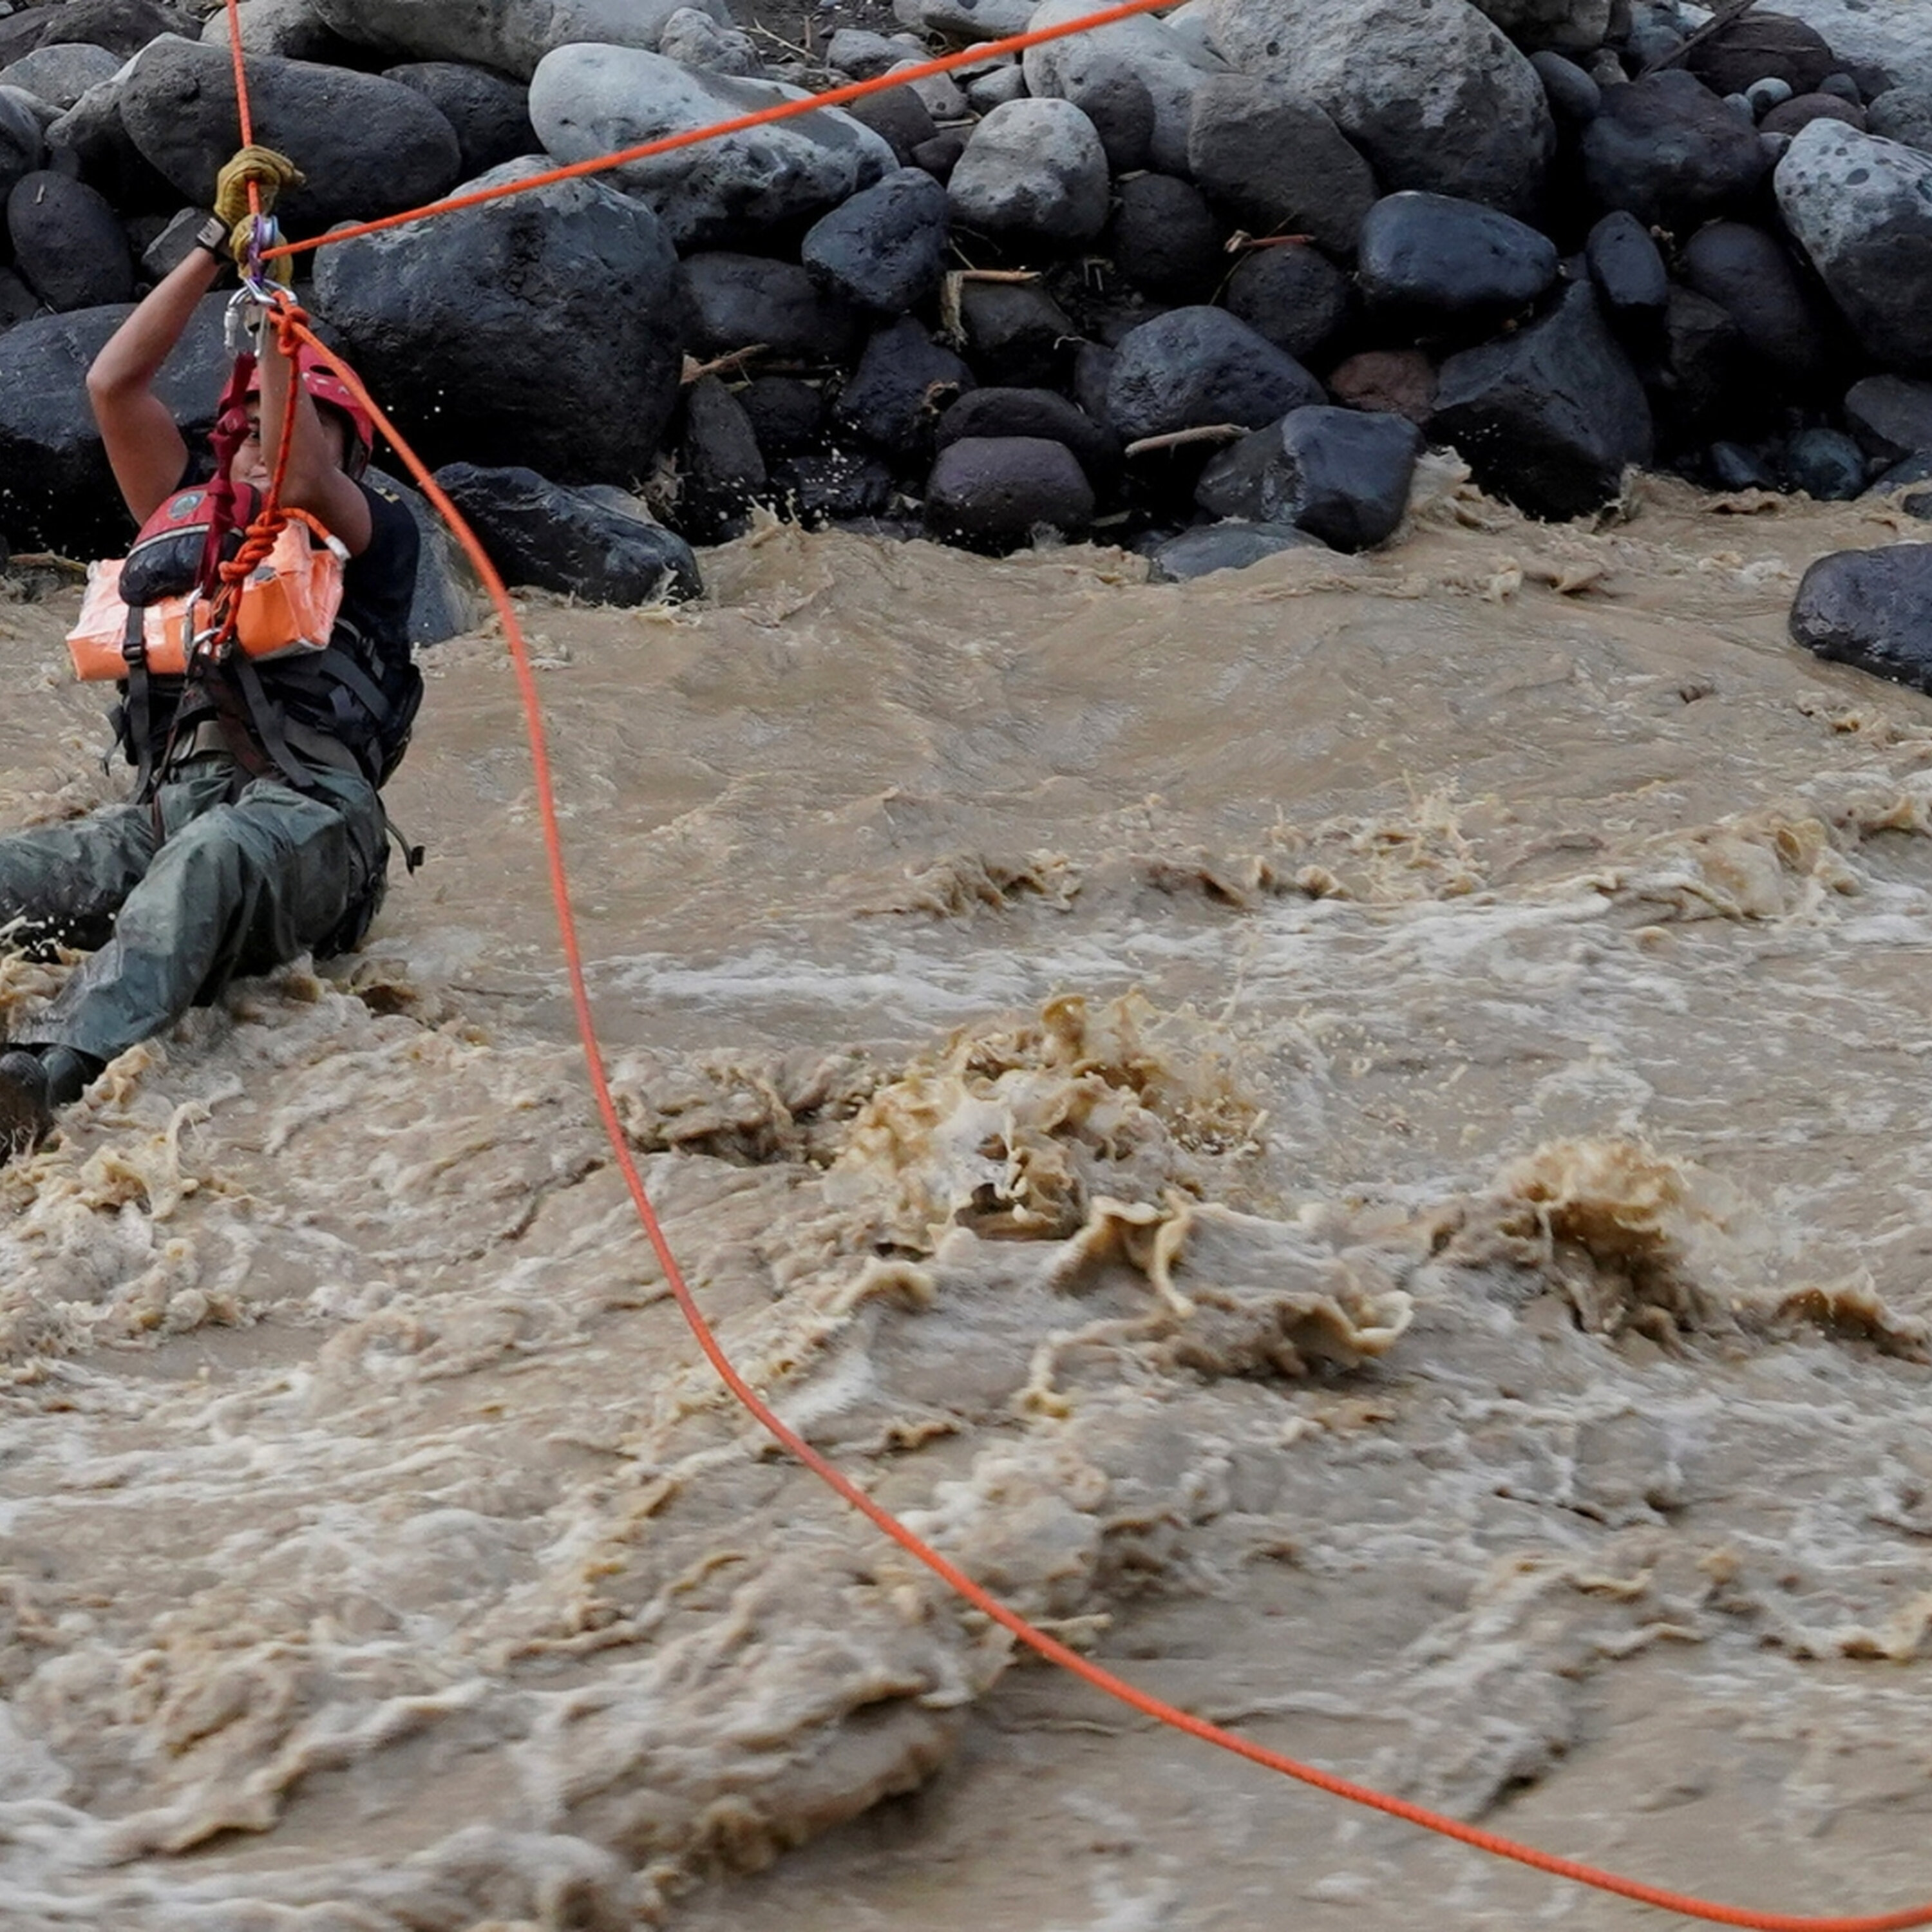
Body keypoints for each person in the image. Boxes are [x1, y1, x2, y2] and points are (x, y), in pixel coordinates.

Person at [0, 147, 422, 1161]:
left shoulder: (373, 534)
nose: (251, 447)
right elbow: (113, 384)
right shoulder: (188, 513)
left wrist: (274, 305)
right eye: (246, 426)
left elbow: (298, 464)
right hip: (170, 809)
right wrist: (210, 245)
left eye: (303, 421)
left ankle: (48, 1077)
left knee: (206, 864)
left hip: (311, 822)